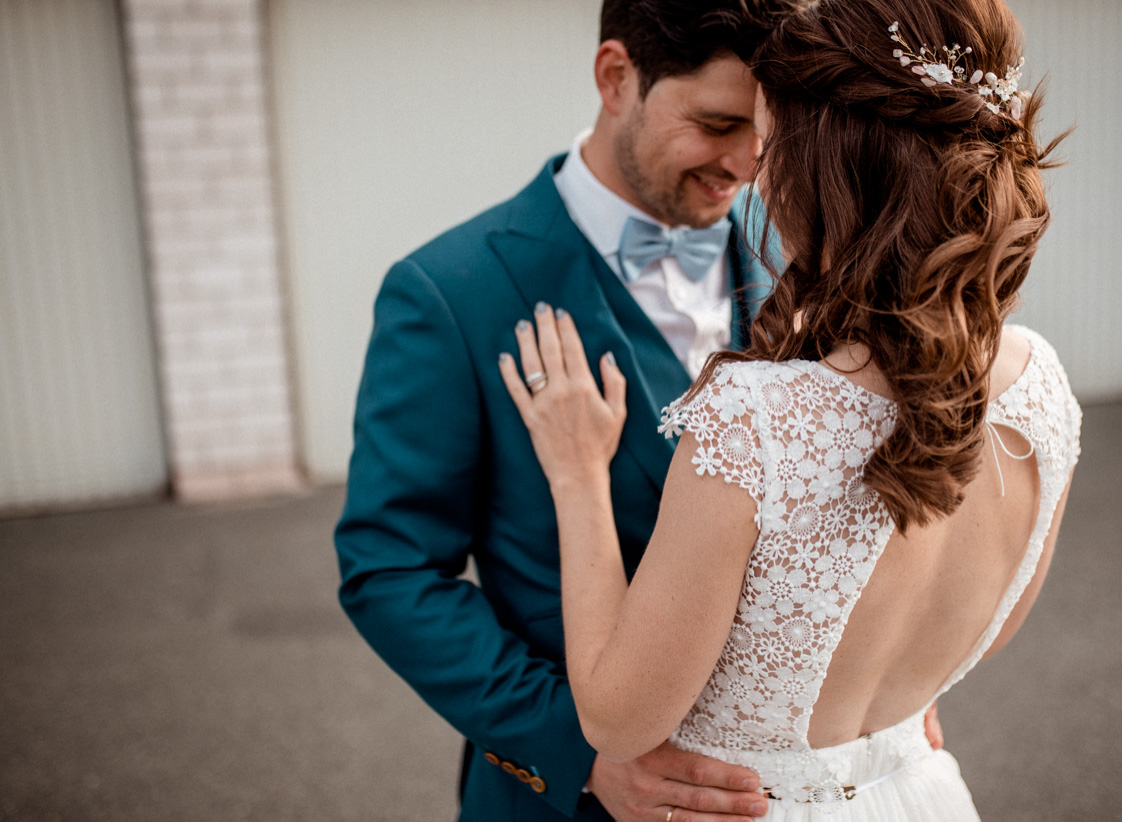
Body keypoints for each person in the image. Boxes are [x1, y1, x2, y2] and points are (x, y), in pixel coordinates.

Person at [498, 0, 1082, 819]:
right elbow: (984, 628)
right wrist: (888, 708)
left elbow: (616, 719)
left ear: (820, 170)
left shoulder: (757, 420)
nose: (752, 174)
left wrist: (577, 474)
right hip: (917, 795)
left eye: (770, 147)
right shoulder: (1044, 388)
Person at [335, 2, 794, 820]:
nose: (745, 165)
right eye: (717, 123)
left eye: (763, 132)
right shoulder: (449, 293)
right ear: (616, 77)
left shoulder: (799, 251)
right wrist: (579, 750)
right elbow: (390, 569)